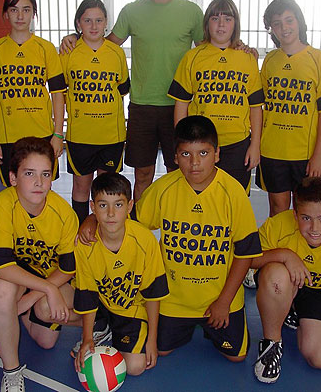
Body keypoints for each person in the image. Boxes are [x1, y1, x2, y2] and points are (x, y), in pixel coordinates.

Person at [79, 115, 262, 361]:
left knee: (236, 357)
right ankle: (115, 319)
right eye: (186, 154)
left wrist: (224, 301)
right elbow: (124, 218)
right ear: (175, 157)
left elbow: (245, 253)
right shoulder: (163, 189)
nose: (195, 163)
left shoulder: (233, 193)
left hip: (219, 298)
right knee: (161, 350)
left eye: (204, 154)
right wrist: (92, 218)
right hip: (173, 299)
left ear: (217, 154)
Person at [61, 0, 204, 202]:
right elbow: (105, 44)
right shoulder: (132, 11)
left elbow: (209, 51)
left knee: (178, 171)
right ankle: (140, 231)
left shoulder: (191, 12)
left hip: (180, 106)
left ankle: (175, 226)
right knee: (143, 174)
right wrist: (75, 37)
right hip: (141, 106)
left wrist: (237, 45)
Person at [0, 137, 79, 392]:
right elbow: (2, 266)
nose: (39, 182)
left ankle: (17, 314)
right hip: (17, 277)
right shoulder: (4, 204)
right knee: (1, 290)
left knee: (46, 340)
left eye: (45, 174)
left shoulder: (63, 214)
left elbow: (68, 268)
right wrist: (46, 290)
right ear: (13, 177)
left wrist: (39, 293)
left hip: (49, 278)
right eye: (29, 173)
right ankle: (12, 372)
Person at [252, 177, 321, 383]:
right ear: (295, 214)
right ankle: (271, 343)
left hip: (320, 292)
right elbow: (249, 258)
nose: (314, 227)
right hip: (285, 280)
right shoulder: (278, 225)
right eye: (306, 218)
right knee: (276, 277)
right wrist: (285, 255)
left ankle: (293, 310)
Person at [73, 173, 169, 376]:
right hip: (102, 304)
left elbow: (153, 295)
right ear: (92, 207)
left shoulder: (145, 240)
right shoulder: (85, 246)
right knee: (52, 309)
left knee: (135, 367)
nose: (110, 213)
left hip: (131, 309)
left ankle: (116, 329)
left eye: (118, 205)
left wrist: (152, 340)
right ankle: (101, 328)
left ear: (130, 206)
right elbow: (88, 295)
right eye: (102, 205)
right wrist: (87, 338)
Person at [169, 0, 264, 194]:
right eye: (215, 18)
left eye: (227, 19)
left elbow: (255, 107)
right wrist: (182, 142)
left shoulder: (247, 58)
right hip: (201, 144)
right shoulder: (193, 57)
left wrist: (255, 145)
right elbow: (181, 105)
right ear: (206, 24)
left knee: (235, 200)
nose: (221, 24)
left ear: (235, 24)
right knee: (201, 198)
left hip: (237, 143)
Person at [0, 0, 67, 186]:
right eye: (14, 9)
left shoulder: (46, 49)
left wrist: (58, 134)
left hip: (42, 135)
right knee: (13, 191)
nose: (20, 16)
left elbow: (58, 94)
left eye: (26, 9)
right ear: (6, 14)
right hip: (8, 138)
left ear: (34, 13)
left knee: (41, 189)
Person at [256, 0, 321, 216]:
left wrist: (319, 153)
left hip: (304, 152)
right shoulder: (270, 60)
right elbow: (260, 107)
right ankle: (279, 250)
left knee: (305, 210)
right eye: (277, 23)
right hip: (272, 149)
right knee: (278, 209)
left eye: (289, 20)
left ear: (299, 21)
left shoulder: (318, 59)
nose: (284, 27)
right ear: (271, 29)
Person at [59, 0, 130, 225]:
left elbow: (123, 88)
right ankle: (80, 232)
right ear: (78, 23)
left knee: (107, 187)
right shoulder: (68, 52)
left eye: (99, 20)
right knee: (81, 185)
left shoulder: (116, 53)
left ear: (106, 23)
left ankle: (105, 231)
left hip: (111, 135)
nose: (93, 25)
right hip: (80, 134)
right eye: (87, 20)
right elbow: (59, 91)